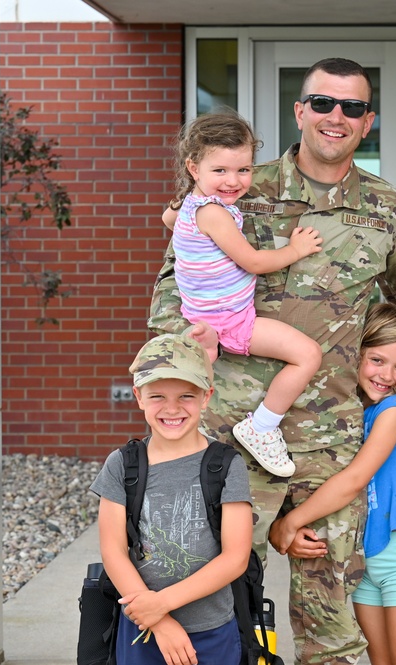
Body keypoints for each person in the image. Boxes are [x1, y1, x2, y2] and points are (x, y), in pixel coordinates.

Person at [148, 57, 396, 665]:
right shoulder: (236, 186)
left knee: (331, 619)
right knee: (214, 604)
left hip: (332, 444)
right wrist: (175, 402)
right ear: (299, 110)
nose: (336, 117)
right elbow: (173, 300)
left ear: (368, 121)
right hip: (233, 436)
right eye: (322, 103)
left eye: (353, 107)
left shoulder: (386, 209)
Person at [163, 111, 323, 478]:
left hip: (203, 312)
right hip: (232, 319)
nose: (233, 182)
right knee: (307, 355)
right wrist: (296, 250)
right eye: (220, 171)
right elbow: (252, 261)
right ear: (193, 167)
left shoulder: (190, 204)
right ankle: (262, 426)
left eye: (243, 170)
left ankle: (207, 344)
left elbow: (167, 221)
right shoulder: (214, 214)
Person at [268, 303, 396, 665]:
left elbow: (355, 479)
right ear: (355, 355)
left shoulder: (395, 410)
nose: (387, 375)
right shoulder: (355, 412)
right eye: (377, 360)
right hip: (364, 557)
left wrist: (289, 523)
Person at [90, 333, 253, 665]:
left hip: (211, 630)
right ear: (138, 396)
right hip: (141, 628)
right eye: (158, 396)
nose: (172, 408)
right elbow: (113, 550)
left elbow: (236, 557)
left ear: (207, 396)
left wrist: (161, 604)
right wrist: (158, 621)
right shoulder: (123, 464)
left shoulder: (226, 465)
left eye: (187, 395)